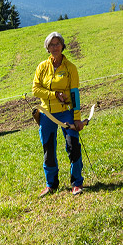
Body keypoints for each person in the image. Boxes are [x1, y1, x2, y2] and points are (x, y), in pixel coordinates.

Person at [32, 31, 84, 196]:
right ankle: (51, 185)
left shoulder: (70, 68)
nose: (54, 47)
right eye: (51, 44)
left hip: (66, 113)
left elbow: (74, 93)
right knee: (48, 149)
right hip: (47, 115)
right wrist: (54, 94)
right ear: (47, 48)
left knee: (73, 146)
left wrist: (77, 118)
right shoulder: (42, 67)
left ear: (62, 46)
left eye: (57, 44)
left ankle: (77, 183)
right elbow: (35, 90)